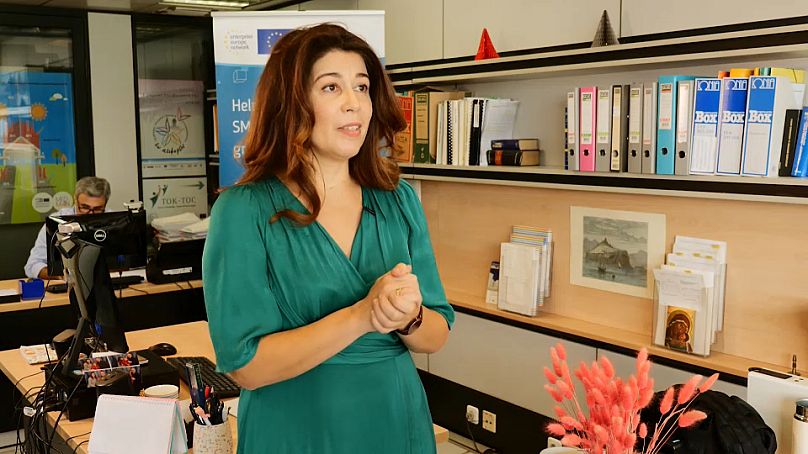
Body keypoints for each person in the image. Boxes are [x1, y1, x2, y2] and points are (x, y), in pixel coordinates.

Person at [203, 23, 455, 453]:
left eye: (362, 87)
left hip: (395, 422)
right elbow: (246, 366)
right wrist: (362, 315)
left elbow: (437, 335)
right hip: (295, 431)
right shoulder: (243, 211)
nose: (354, 103)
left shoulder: (398, 200)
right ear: (291, 103)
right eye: (331, 87)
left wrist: (408, 316)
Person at [23, 176, 111, 279]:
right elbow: (32, 266)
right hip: (67, 284)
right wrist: (61, 276)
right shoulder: (56, 222)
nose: (90, 214)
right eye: (85, 207)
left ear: (105, 204)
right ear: (75, 200)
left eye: (98, 209)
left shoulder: (115, 221)